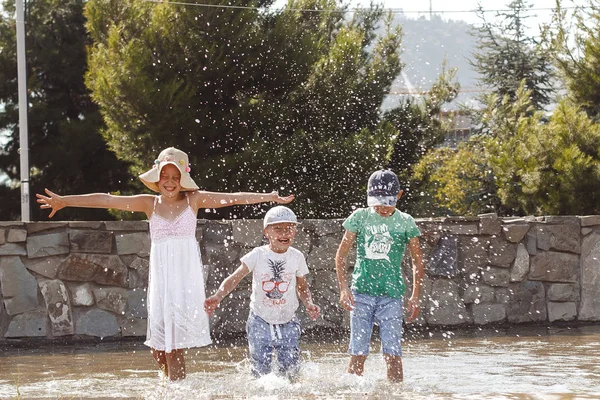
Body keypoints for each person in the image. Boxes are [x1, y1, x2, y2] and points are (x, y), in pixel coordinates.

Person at [36, 147, 294, 381]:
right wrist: (65, 201)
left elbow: (233, 197)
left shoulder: (194, 200)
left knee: (172, 346)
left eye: (175, 177)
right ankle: (174, 384)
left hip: (184, 280)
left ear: (183, 179)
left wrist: (269, 197)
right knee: (158, 348)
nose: (170, 183)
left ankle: (177, 390)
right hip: (162, 281)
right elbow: (107, 199)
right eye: (165, 177)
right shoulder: (149, 204)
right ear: (157, 178)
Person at [204, 205, 320, 380]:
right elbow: (235, 277)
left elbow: (302, 286)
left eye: (289, 228)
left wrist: (309, 303)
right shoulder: (258, 255)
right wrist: (218, 295)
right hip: (260, 319)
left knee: (290, 370)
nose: (284, 233)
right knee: (260, 370)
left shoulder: (297, 256)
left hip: (288, 320)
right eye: (278, 229)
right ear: (267, 232)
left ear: (295, 231)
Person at [335, 169, 424, 383]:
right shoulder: (360, 217)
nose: (382, 207)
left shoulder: (405, 222)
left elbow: (417, 261)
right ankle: (352, 395)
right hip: (361, 294)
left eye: (388, 202)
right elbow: (341, 254)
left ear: (399, 195)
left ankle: (396, 395)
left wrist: (415, 296)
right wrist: (343, 288)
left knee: (393, 353)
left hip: (391, 296)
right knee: (358, 352)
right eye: (377, 202)